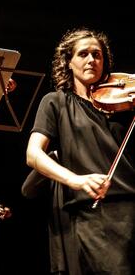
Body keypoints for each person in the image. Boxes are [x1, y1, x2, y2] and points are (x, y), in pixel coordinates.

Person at [25, 28, 135, 275]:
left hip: (131, 202)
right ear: (68, 62)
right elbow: (33, 154)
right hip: (95, 215)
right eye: (83, 54)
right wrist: (74, 179)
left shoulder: (122, 102)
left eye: (97, 55)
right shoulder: (55, 102)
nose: (91, 60)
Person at [21, 150, 78, 275]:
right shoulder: (55, 165)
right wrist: (53, 157)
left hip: (90, 244)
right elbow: (27, 190)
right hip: (64, 250)